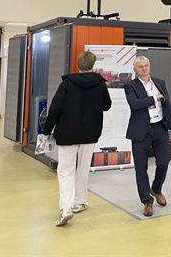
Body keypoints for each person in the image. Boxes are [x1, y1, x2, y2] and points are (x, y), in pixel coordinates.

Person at [42, 51, 112, 226]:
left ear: (78, 65)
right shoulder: (100, 84)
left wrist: (47, 130)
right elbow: (107, 105)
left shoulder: (67, 83)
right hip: (90, 133)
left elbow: (55, 109)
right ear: (93, 65)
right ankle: (80, 201)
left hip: (67, 133)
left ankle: (66, 208)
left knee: (65, 171)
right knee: (83, 168)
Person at [125, 56, 171, 217]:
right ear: (135, 69)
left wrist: (167, 119)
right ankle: (147, 201)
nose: (144, 68)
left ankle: (156, 189)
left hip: (159, 128)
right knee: (141, 168)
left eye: (146, 65)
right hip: (141, 131)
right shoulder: (130, 86)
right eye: (140, 66)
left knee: (164, 161)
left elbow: (166, 102)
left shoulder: (159, 83)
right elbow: (135, 104)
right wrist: (154, 98)